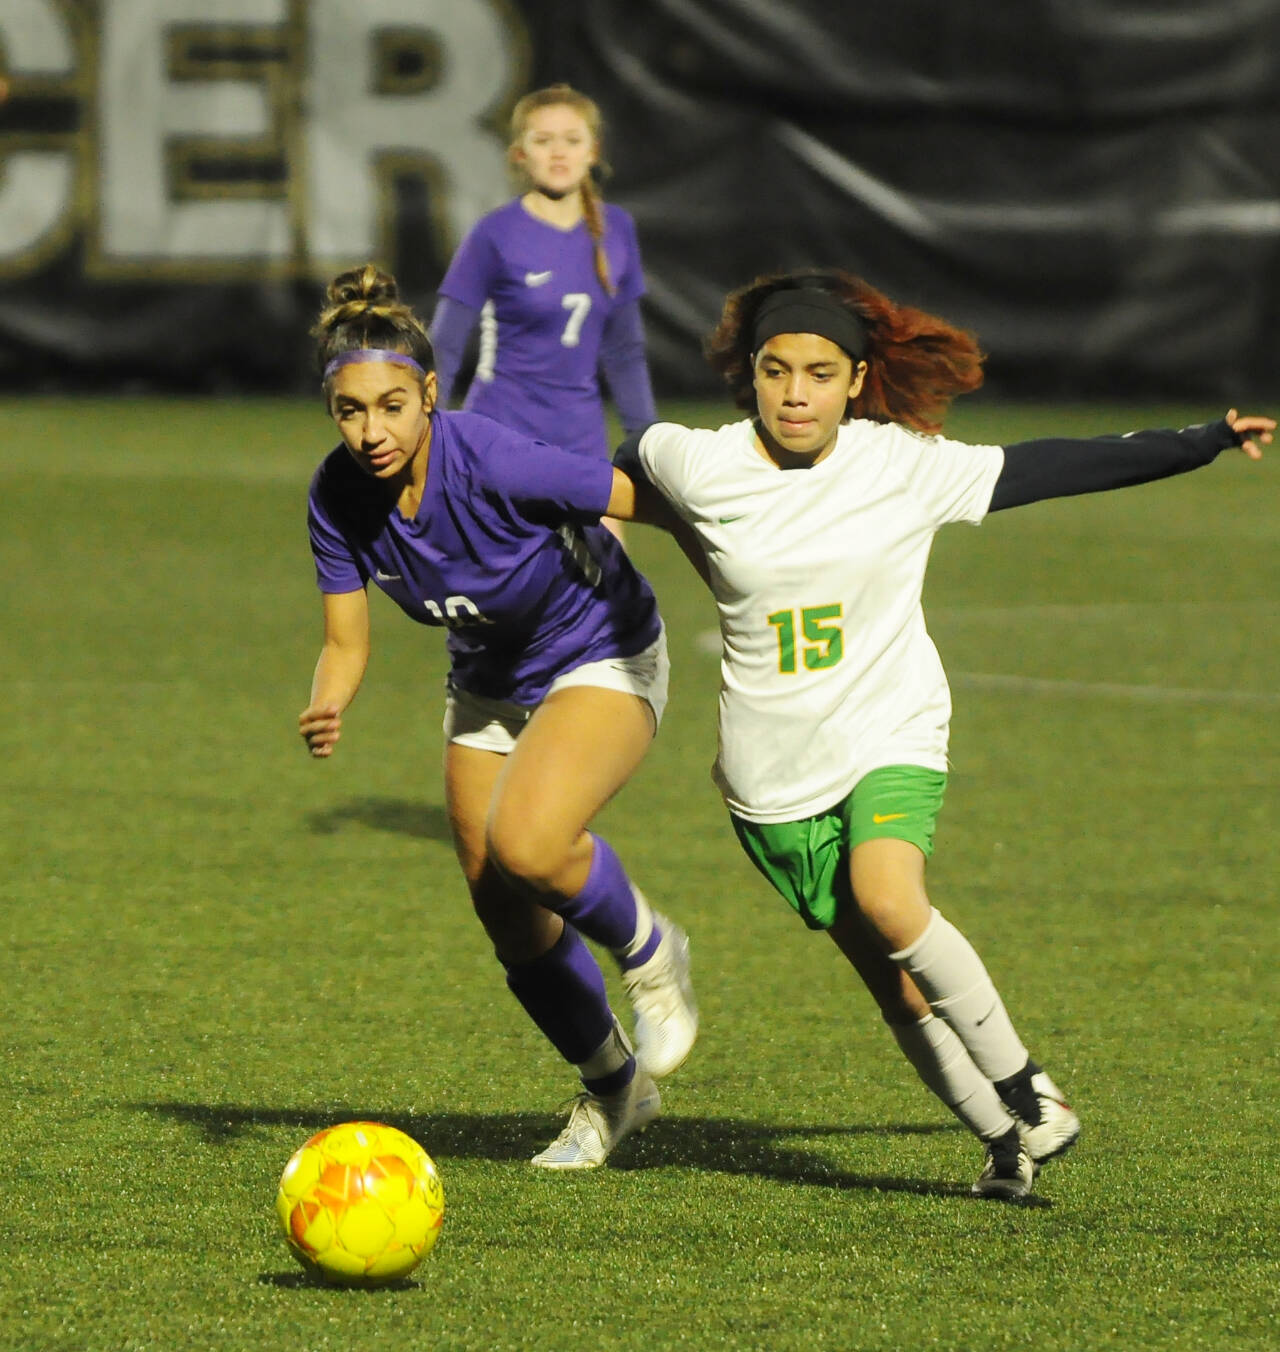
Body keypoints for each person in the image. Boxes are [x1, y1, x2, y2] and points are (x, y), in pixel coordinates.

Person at [607, 267, 1272, 1199]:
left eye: (820, 372)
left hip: (892, 725)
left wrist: (1200, 441)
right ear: (750, 375)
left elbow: (1054, 467)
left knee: (890, 895)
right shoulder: (696, 457)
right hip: (771, 774)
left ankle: (1029, 1090)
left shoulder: (899, 463)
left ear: (858, 379)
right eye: (776, 369)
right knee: (897, 986)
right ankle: (1005, 1143)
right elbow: (621, 463)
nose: (796, 392)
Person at [297, 263, 697, 1170]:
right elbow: (347, 642)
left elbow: (642, 500)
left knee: (531, 839)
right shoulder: (336, 496)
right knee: (502, 904)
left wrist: (743, 584)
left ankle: (652, 949)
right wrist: (329, 695)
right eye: (351, 411)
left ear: (430, 395)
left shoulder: (493, 457)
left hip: (601, 647)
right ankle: (616, 1090)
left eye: (392, 406)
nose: (371, 430)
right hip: (486, 681)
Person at [428, 83, 657, 539]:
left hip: (582, 446)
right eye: (542, 140)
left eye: (571, 140)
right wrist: (425, 440)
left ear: (593, 151)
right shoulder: (494, 234)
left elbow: (625, 352)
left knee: (606, 602)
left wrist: (651, 448)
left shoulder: (617, 230)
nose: (558, 153)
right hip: (499, 440)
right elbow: (445, 346)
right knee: (505, 602)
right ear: (518, 153)